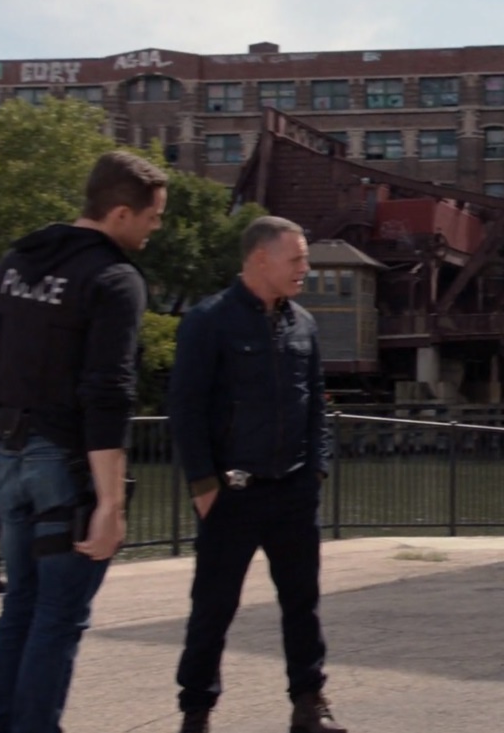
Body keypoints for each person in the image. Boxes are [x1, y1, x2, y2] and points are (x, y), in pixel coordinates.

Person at [0, 150, 166, 732]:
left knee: (21, 605)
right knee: (58, 616)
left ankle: (3, 724)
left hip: (9, 456)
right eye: (152, 216)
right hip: (63, 465)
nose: (156, 227)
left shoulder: (16, 263)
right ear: (120, 214)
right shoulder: (114, 279)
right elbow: (108, 393)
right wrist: (110, 503)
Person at [169, 216, 343, 733]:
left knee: (302, 604)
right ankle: (196, 713)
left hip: (294, 490)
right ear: (260, 259)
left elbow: (316, 405)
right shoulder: (208, 321)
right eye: (297, 259)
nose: (305, 268)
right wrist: (204, 486)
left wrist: (317, 469)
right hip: (232, 493)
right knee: (213, 608)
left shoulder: (303, 324)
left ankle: (308, 704)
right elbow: (186, 408)